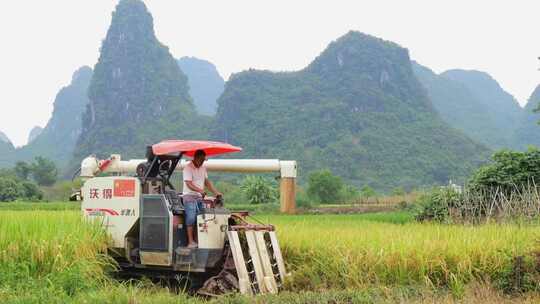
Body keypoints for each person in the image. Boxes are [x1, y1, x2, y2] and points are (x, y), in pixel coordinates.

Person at [182, 149, 222, 248]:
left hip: (199, 197)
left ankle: (197, 240)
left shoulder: (203, 168)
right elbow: (189, 184)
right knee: (191, 217)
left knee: (200, 219)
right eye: (201, 159)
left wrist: (215, 192)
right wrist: (200, 190)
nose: (203, 161)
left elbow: (207, 182)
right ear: (196, 158)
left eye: (204, 160)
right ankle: (190, 242)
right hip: (189, 196)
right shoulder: (188, 168)